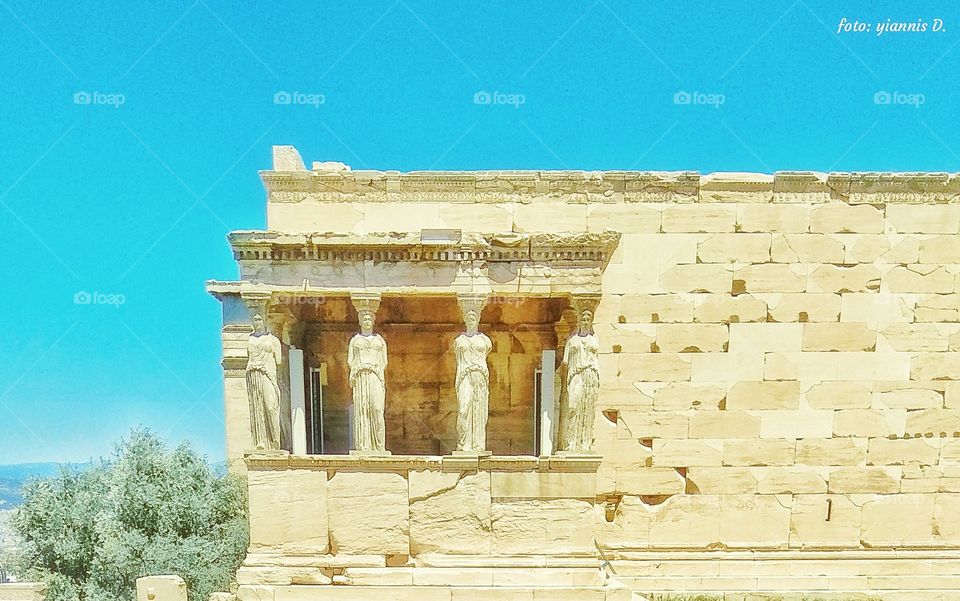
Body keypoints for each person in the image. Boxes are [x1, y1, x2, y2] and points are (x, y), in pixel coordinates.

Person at [348, 309, 388, 451]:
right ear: (360, 321)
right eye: (364, 319)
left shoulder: (379, 341)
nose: (367, 321)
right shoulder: (355, 341)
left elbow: (384, 362)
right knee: (362, 410)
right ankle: (363, 446)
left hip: (375, 376)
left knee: (377, 409)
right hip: (360, 377)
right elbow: (350, 361)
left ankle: (379, 446)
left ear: (373, 320)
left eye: (369, 319)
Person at [246, 313, 283, 450]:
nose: (257, 322)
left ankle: (275, 440)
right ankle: (260, 442)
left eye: (260, 319)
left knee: (270, 405)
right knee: (257, 406)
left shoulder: (273, 340)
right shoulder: (249, 340)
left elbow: (279, 362)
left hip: (268, 374)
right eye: (255, 319)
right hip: (253, 373)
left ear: (265, 320)